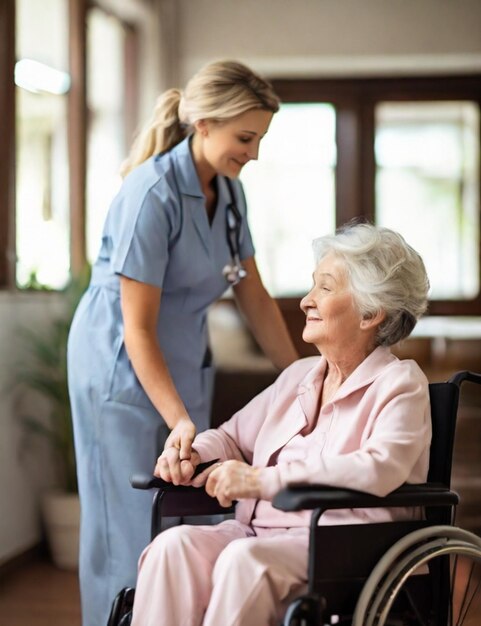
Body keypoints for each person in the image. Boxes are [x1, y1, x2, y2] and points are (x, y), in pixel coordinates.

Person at [67, 60, 298, 626]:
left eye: (260, 139)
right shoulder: (152, 194)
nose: (254, 153)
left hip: (184, 365)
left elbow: (254, 297)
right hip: (121, 367)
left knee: (187, 519)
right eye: (245, 138)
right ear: (203, 122)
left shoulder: (229, 194)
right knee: (126, 527)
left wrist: (301, 374)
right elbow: (138, 328)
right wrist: (178, 419)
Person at [130, 223, 432, 626]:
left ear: (371, 312)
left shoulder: (400, 384)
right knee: (174, 546)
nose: (307, 301)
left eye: (324, 288)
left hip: (342, 546)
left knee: (244, 561)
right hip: (259, 532)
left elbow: (379, 467)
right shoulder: (299, 376)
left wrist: (262, 480)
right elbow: (231, 438)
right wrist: (192, 454)